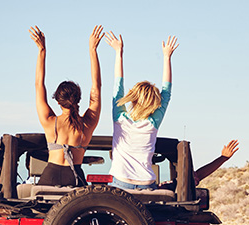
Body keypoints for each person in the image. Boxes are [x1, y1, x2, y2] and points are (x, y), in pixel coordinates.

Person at [29, 25, 104, 187]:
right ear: (78, 99)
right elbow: (96, 86)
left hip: (50, 177)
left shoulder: (49, 121)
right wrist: (93, 50)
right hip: (75, 177)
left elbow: (38, 84)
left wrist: (42, 50)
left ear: (57, 101)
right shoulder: (87, 124)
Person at [105, 31, 179, 190]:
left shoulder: (120, 118)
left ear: (133, 97)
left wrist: (119, 53)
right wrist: (167, 57)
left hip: (120, 182)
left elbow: (117, 86)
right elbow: (167, 91)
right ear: (154, 102)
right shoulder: (153, 123)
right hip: (147, 184)